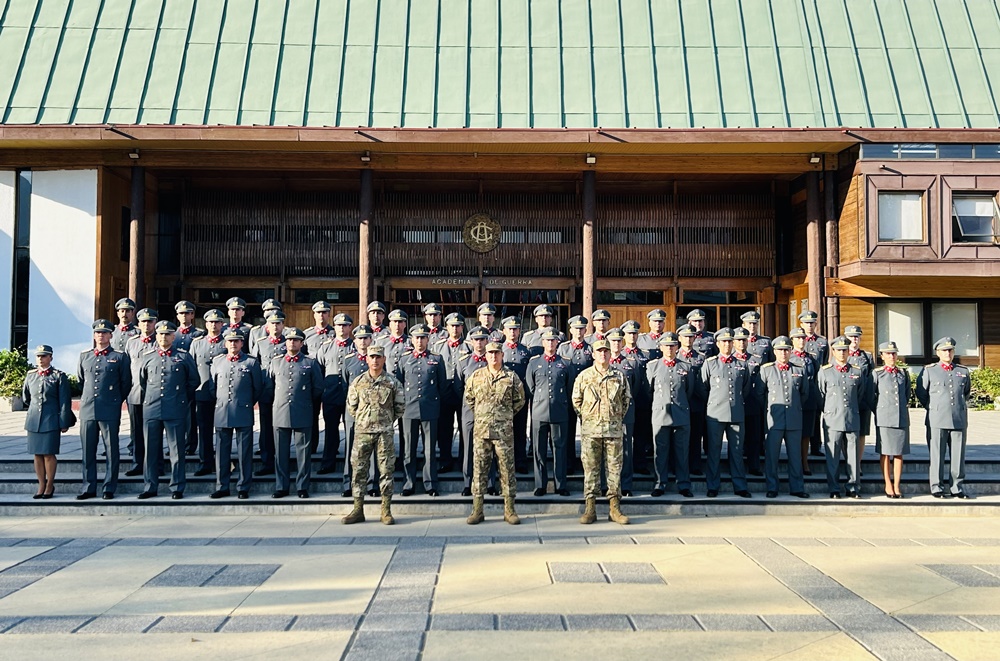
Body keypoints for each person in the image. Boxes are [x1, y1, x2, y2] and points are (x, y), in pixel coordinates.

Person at [464, 341, 526, 525]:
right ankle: (477, 510)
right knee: (480, 470)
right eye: (490, 353)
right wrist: (484, 415)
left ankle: (510, 510)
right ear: (486, 356)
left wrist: (504, 415)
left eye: (496, 353)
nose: (493, 356)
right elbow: (469, 398)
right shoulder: (476, 376)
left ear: (502, 355)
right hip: (482, 431)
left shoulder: (511, 377)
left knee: (507, 470)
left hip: (503, 432)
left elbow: (519, 400)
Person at [343, 345, 405, 525]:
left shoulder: (392, 382)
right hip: (362, 434)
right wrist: (365, 421)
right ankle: (357, 509)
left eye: (379, 357)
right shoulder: (358, 382)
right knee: (359, 472)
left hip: (384, 434)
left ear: (384, 359)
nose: (375, 360)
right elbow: (352, 407)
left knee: (386, 471)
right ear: (367, 359)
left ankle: (385, 510)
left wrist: (384, 421)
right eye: (372, 357)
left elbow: (399, 408)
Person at [137, 321, 199, 499]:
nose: (164, 337)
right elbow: (143, 382)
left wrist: (179, 397)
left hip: (175, 408)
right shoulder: (148, 356)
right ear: (156, 336)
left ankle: (177, 487)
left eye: (168, 334)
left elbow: (193, 381)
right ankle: (150, 486)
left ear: (174, 336)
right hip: (152, 408)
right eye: (161, 334)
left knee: (176, 450)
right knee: (150, 450)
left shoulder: (183, 356)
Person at [573, 339, 632, 524]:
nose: (603, 354)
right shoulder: (584, 376)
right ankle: (590, 508)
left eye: (606, 351)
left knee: (614, 470)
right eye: (599, 351)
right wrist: (589, 418)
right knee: (590, 470)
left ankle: (615, 508)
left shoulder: (619, 376)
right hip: (591, 432)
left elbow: (626, 400)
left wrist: (615, 418)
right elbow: (577, 401)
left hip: (613, 430)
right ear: (593, 354)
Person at [77, 320, 131, 500]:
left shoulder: (120, 357)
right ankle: (88, 487)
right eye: (98, 333)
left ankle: (109, 486)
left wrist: (115, 401)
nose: (101, 335)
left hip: (109, 407)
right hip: (88, 409)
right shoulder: (85, 356)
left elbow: (125, 383)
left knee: (111, 448)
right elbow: (81, 379)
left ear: (110, 335)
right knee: (88, 450)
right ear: (94, 335)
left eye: (105, 333)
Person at [266, 327, 323, 498]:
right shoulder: (276, 362)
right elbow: (270, 386)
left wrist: (305, 402)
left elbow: (318, 388)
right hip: (280, 411)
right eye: (289, 340)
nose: (292, 342)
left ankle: (302, 486)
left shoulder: (310, 363)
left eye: (296, 340)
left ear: (302, 343)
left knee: (303, 453)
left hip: (302, 411)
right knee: (281, 453)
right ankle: (281, 486)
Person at [208, 330, 263, 499]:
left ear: (242, 343)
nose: (233, 344)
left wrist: (246, 403)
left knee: (244, 452)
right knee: (221, 452)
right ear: (225, 344)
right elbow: (212, 387)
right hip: (222, 411)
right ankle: (222, 485)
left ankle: (243, 486)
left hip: (243, 410)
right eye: (230, 341)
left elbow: (258, 388)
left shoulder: (251, 363)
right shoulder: (217, 362)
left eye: (237, 341)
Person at [916, 336, 972, 499]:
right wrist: (935, 408)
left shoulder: (962, 371)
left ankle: (956, 487)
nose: (948, 353)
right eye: (944, 350)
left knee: (958, 455)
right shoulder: (929, 370)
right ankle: (936, 486)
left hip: (958, 418)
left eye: (950, 350)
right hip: (937, 419)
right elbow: (921, 393)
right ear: (938, 352)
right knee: (937, 455)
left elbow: (965, 393)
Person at [701, 328, 753, 498]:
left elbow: (745, 389)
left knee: (737, 451)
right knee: (714, 451)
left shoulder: (741, 364)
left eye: (729, 341)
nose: (727, 344)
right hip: (715, 413)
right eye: (723, 341)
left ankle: (740, 485)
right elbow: (703, 388)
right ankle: (713, 485)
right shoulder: (710, 363)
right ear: (717, 344)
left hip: (736, 413)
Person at [755, 336, 809, 499]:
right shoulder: (766, 369)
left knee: (795, 456)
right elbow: (760, 394)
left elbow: (804, 393)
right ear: (774, 351)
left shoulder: (799, 369)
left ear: (791, 351)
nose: (783, 353)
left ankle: (797, 487)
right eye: (780, 350)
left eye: (786, 350)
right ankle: (772, 487)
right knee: (772, 456)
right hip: (774, 420)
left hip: (794, 419)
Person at [817, 336, 871, 499]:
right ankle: (834, 488)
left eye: (844, 350)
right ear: (833, 351)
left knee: (853, 456)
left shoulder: (856, 371)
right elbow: (821, 396)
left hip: (851, 418)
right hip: (832, 419)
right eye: (838, 350)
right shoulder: (825, 371)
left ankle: (853, 486)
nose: (842, 353)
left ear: (849, 352)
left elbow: (860, 394)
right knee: (832, 456)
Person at [395, 323, 445, 497]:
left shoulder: (437, 359)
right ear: (412, 339)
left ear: (428, 339)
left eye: (423, 337)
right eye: (416, 337)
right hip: (409, 409)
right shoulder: (404, 359)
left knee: (430, 450)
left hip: (430, 408)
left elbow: (442, 385)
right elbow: (399, 385)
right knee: (409, 449)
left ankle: (430, 483)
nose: (420, 341)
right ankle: (408, 483)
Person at [646, 332, 695, 498]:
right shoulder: (653, 366)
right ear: (660, 347)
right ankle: (660, 483)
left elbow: (689, 390)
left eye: (673, 345)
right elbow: (648, 390)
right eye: (666, 345)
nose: (670, 348)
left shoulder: (686, 366)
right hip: (660, 414)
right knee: (660, 451)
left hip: (681, 413)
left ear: (677, 347)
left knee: (682, 452)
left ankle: (683, 484)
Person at [23, 345, 75, 499]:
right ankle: (41, 484)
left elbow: (64, 401)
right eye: (38, 356)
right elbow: (26, 397)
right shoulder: (31, 375)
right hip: (33, 420)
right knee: (37, 454)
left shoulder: (58, 376)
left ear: (50, 357)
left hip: (51, 419)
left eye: (44, 356)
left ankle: (50, 484)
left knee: (48, 454)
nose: (41, 358)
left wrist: (63, 421)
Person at [525, 328, 571, 496]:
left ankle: (561, 485)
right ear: (542, 342)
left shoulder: (565, 362)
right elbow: (530, 387)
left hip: (559, 411)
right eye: (547, 340)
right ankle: (540, 484)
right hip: (539, 411)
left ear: (557, 342)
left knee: (560, 449)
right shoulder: (534, 362)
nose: (550, 343)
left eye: (553, 340)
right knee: (539, 450)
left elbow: (569, 386)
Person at [188, 309, 227, 477]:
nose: (214, 325)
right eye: (211, 322)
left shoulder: (227, 342)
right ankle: (205, 463)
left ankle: (222, 462)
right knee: (204, 429)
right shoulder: (197, 343)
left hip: (222, 393)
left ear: (222, 324)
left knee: (222, 430)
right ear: (206, 324)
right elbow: (190, 367)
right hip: (202, 392)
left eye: (217, 322)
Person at [341, 325, 378, 497]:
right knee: (351, 448)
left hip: (372, 411)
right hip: (353, 411)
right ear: (354, 341)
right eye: (360, 338)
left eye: (366, 338)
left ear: (371, 340)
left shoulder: (377, 359)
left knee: (373, 449)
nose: (363, 342)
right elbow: (343, 385)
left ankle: (372, 484)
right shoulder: (348, 360)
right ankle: (348, 483)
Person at [315, 312, 354, 474]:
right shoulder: (326, 347)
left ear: (350, 327)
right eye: (338, 325)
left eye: (345, 325)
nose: (341, 328)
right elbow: (319, 371)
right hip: (331, 395)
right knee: (331, 431)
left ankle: (351, 464)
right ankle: (327, 463)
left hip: (351, 397)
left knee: (352, 431)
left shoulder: (356, 346)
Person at [251, 311, 288, 477]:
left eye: (278, 323)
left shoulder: (290, 342)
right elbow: (254, 366)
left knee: (282, 429)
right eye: (272, 323)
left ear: (283, 325)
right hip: (266, 392)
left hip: (284, 393)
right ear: (267, 325)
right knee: (266, 429)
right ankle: (267, 462)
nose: (275, 326)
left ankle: (282, 462)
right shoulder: (260, 343)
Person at [872, 341, 910, 499]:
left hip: (900, 416)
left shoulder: (903, 373)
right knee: (886, 452)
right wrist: (880, 410)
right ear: (882, 356)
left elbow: (906, 394)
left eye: (894, 353)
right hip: (885, 417)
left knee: (899, 452)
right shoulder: (877, 374)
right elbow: (871, 395)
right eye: (888, 353)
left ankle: (897, 484)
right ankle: (888, 483)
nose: (891, 356)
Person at [123, 307, 158, 476]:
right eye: (143, 321)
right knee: (136, 431)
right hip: (135, 391)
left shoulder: (160, 341)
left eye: (150, 321)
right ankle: (137, 463)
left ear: (155, 323)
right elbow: (126, 367)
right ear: (138, 323)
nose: (146, 324)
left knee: (154, 430)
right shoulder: (132, 342)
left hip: (155, 394)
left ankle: (155, 464)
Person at [557, 315, 592, 478]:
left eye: (581, 328)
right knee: (568, 432)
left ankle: (588, 464)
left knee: (588, 433)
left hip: (588, 398)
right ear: (570, 330)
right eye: (575, 328)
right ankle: (569, 463)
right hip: (568, 396)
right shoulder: (562, 348)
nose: (578, 331)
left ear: (585, 330)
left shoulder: (591, 349)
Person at [434, 313, 469, 474]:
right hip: (444, 393)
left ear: (462, 327)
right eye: (452, 325)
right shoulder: (438, 346)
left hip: (464, 394)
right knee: (444, 429)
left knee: (465, 429)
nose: (455, 328)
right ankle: (445, 460)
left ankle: (464, 460)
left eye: (458, 325)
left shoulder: (469, 346)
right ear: (446, 327)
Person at [457, 326, 490, 496]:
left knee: (490, 445)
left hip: (489, 410)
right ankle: (467, 482)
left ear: (487, 341)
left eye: (482, 339)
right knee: (468, 445)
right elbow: (458, 387)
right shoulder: (464, 361)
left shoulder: (493, 361)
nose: (479, 343)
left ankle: (490, 482)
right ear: (471, 342)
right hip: (469, 409)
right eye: (476, 340)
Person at [607, 328, 639, 496]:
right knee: (607, 449)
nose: (616, 344)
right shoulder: (601, 362)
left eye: (619, 341)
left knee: (626, 449)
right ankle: (608, 484)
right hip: (606, 414)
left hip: (626, 413)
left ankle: (626, 485)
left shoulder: (631, 362)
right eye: (613, 341)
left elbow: (638, 387)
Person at [500, 316, 532, 473]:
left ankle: (520, 460)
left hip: (520, 398)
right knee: (503, 432)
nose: (512, 332)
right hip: (502, 399)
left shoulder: (526, 351)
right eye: (509, 329)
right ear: (504, 331)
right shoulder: (499, 350)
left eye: (515, 329)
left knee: (520, 430)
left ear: (519, 331)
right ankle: (505, 462)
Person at [789, 328, 820, 476]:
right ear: (792, 340)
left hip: (809, 399)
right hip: (794, 398)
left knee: (806, 432)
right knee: (793, 432)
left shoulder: (811, 358)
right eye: (798, 338)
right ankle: (795, 461)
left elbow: (816, 377)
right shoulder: (788, 357)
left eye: (803, 338)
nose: (801, 341)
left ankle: (805, 462)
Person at [677, 324, 708, 477]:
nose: (688, 339)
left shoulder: (701, 358)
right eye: (685, 336)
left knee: (696, 436)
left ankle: (695, 465)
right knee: (677, 438)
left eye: (691, 336)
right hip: (678, 403)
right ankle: (676, 465)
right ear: (679, 338)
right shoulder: (675, 356)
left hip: (696, 402)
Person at [845, 325, 875, 472]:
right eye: (851, 336)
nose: (854, 339)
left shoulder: (867, 356)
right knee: (846, 432)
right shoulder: (842, 354)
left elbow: (871, 378)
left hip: (862, 401)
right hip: (847, 400)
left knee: (861, 432)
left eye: (857, 336)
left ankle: (858, 463)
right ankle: (847, 461)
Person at [798, 310, 828, 458]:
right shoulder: (796, 340)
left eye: (812, 323)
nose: (809, 326)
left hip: (816, 384)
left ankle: (816, 446)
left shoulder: (822, 342)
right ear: (801, 324)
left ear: (816, 324)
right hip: (799, 385)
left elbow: (826, 362)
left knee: (816, 416)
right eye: (806, 323)